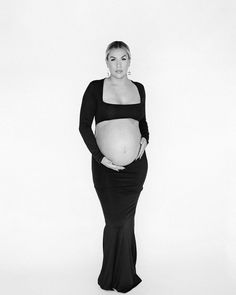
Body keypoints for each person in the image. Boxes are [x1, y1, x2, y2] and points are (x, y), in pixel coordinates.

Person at [79, 40, 149, 293]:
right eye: (113, 58)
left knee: (126, 221)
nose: (118, 64)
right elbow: (84, 126)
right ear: (106, 62)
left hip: (136, 168)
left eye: (123, 58)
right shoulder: (96, 88)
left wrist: (145, 139)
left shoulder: (139, 88)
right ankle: (112, 276)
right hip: (106, 169)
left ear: (130, 61)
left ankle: (126, 275)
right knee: (116, 221)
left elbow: (142, 122)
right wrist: (100, 157)